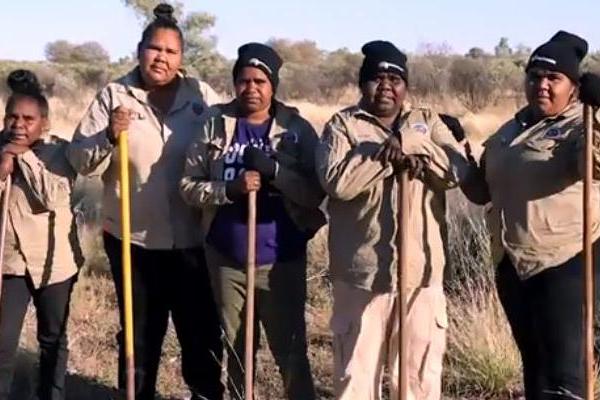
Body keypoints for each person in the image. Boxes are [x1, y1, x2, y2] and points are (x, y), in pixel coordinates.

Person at [66, 4, 223, 400]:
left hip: (192, 241)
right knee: (140, 334)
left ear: (182, 58)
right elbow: (78, 159)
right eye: (154, 49)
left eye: (171, 52)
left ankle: (206, 394)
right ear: (140, 50)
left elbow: (226, 144)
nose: (161, 58)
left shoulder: (201, 96)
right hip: (132, 241)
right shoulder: (115, 95)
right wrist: (107, 135)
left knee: (199, 332)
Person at [315, 40, 468, 400]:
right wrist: (383, 158)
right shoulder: (343, 126)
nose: (386, 85)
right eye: (376, 77)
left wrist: (414, 144)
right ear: (362, 84)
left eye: (395, 78)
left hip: (421, 277)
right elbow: (337, 183)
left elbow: (457, 172)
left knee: (418, 382)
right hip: (362, 276)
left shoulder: (427, 122)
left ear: (406, 86)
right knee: (355, 381)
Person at [180, 42, 324, 400]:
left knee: (290, 352)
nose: (251, 88)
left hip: (281, 261)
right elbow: (188, 186)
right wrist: (230, 188)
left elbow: (315, 192)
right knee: (236, 349)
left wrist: (276, 173)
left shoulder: (296, 130)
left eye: (260, 80)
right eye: (244, 80)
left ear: (273, 84)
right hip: (227, 259)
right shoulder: (214, 123)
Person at [461, 31, 600, 399]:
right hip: (512, 263)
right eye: (535, 76)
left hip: (567, 262)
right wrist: (455, 149)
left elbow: (595, 166)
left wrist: (599, 113)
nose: (542, 85)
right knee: (534, 367)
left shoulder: (579, 125)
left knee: (566, 376)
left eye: (554, 78)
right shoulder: (511, 129)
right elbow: (480, 191)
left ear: (573, 87)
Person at [0, 69, 82, 400]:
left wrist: (23, 156)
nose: (19, 125)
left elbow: (53, 196)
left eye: (28, 119)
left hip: (54, 261)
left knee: (52, 338)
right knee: (3, 342)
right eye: (12, 117)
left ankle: (51, 395)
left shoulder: (59, 152)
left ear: (44, 123)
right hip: (10, 263)